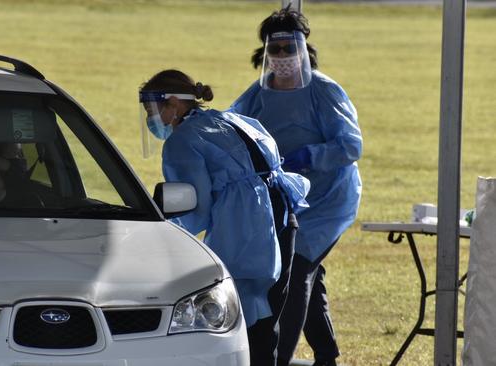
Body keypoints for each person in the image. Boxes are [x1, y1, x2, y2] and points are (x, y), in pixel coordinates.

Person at [139, 69, 310, 366]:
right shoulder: (232, 118)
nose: (150, 120)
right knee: (267, 322)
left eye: (153, 110)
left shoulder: (182, 142)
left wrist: (160, 236)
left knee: (238, 323)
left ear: (175, 105)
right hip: (284, 221)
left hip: (247, 233)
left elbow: (194, 206)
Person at [229, 6, 362, 366]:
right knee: (303, 272)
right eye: (277, 49)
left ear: (304, 49)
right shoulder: (256, 96)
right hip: (287, 201)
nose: (283, 56)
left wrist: (311, 156)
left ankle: (277, 360)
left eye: (291, 48)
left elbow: (352, 146)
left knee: (297, 270)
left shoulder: (324, 91)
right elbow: (232, 131)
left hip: (328, 202)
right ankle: (326, 356)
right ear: (265, 53)